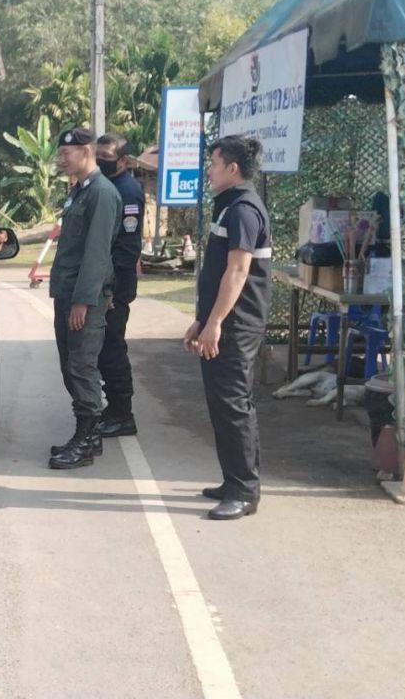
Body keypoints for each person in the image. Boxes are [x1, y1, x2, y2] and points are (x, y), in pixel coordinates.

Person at [185, 135, 272, 521]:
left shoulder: (244, 210)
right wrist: (202, 319)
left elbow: (237, 272)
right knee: (224, 404)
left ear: (232, 168)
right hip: (222, 321)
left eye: (214, 163)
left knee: (234, 404)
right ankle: (233, 479)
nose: (209, 170)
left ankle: (244, 490)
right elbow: (217, 272)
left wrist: (216, 323)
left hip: (237, 324)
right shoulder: (228, 206)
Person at [47, 127, 122, 470]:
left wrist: (83, 301)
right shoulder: (81, 191)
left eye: (67, 153)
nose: (62, 159)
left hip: (83, 299)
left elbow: (96, 253)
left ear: (86, 151)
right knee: (71, 366)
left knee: (81, 366)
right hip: (69, 293)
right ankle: (87, 437)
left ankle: (86, 441)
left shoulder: (101, 194)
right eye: (61, 153)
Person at [95, 133, 146, 438]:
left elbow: (127, 248)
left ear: (124, 161)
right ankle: (112, 408)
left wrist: (111, 289)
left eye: (106, 156)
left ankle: (122, 414)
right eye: (97, 154)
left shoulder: (128, 192)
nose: (100, 160)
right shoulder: (106, 186)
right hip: (105, 283)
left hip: (116, 287)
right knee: (102, 349)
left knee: (112, 348)